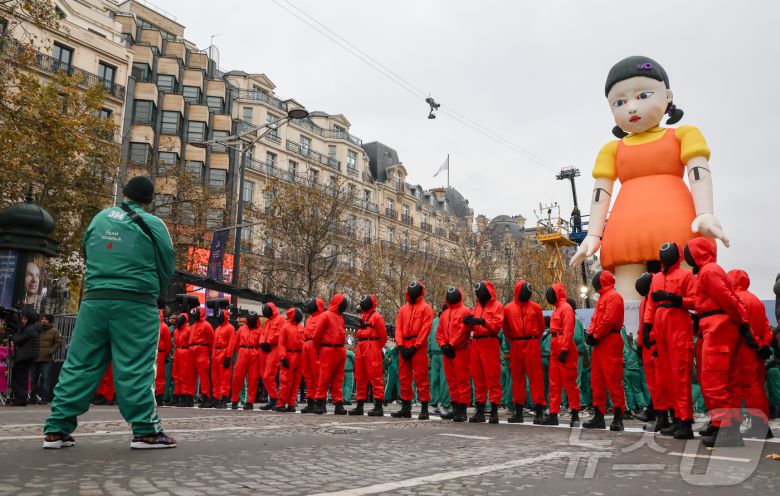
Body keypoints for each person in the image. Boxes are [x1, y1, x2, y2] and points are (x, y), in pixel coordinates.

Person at [571, 56, 728, 299]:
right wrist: (593, 234)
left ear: (668, 96)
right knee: (629, 293)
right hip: (626, 230)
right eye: (619, 102)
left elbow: (698, 172)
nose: (631, 108)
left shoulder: (684, 135)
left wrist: (705, 212)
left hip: (679, 223)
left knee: (685, 284)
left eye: (642, 96)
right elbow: (601, 192)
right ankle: (635, 325)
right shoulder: (611, 149)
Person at [44, 176, 176, 449]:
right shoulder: (153, 223)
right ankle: (146, 431)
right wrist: (157, 291)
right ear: (149, 200)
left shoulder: (99, 219)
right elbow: (167, 264)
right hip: (136, 304)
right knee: (135, 367)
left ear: (125, 193)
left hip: (94, 301)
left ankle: (57, 429)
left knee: (79, 364)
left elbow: (87, 253)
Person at [684, 237, 751, 447]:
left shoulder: (708, 271)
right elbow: (727, 298)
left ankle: (726, 430)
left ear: (697, 254)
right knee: (726, 381)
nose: (687, 257)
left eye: (689, 253)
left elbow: (726, 298)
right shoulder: (711, 270)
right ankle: (725, 426)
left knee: (714, 380)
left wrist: (743, 323)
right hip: (718, 325)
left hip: (717, 327)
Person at [642, 242, 697, 438]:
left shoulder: (686, 276)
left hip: (678, 323)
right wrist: (647, 327)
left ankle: (685, 422)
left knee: (680, 375)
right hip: (661, 325)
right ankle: (676, 419)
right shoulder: (657, 278)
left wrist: (676, 299)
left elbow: (696, 300)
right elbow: (650, 304)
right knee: (666, 377)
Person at [727, 269, 774, 439]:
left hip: (743, 349)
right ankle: (761, 425)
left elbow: (740, 327)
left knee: (748, 389)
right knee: (758, 388)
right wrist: (764, 344)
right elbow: (766, 326)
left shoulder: (736, 300)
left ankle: (759, 426)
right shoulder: (756, 301)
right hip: (758, 351)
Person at [584, 270, 626, 431]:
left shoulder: (613, 296)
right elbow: (596, 319)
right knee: (597, 381)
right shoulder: (604, 297)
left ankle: (618, 417)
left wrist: (594, 334)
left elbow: (609, 319)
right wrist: (591, 334)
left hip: (609, 340)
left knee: (613, 380)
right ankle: (599, 415)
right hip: (601, 342)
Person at [503, 281, 546, 424]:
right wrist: (515, 340)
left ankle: (539, 411)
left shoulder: (536, 307)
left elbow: (541, 327)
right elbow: (506, 329)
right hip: (516, 345)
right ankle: (519, 412)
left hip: (531, 343)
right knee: (517, 379)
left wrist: (532, 339)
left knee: (536, 378)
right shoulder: (508, 309)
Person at [540, 284, 580, 426]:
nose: (549, 296)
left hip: (564, 346)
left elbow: (568, 330)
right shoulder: (558, 309)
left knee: (570, 383)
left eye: (551, 293)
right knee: (554, 383)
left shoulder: (566, 308)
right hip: (555, 345)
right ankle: (553, 414)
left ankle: (575, 415)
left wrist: (564, 349)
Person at [393, 282, 434, 420]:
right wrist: (400, 345)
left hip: (418, 347)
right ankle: (406, 407)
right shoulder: (403, 309)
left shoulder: (426, 308)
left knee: (421, 377)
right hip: (405, 345)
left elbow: (425, 329)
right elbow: (398, 327)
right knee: (403, 377)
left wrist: (416, 346)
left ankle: (424, 408)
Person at [466, 281, 504, 424]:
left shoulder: (497, 306)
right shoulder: (476, 307)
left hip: (489, 341)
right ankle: (480, 411)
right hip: (476, 342)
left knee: (492, 377)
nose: (479, 295)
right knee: (478, 378)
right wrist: (468, 322)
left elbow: (497, 325)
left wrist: (483, 322)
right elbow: (474, 324)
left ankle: (494, 411)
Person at [437, 287, 473, 422]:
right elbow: (439, 332)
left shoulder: (466, 311)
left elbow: (463, 330)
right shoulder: (445, 314)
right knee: (451, 381)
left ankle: (462, 410)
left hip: (460, 350)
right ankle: (455, 407)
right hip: (448, 351)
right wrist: (443, 345)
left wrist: (450, 345)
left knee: (462, 380)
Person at [350, 294, 387, 416]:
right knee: (360, 376)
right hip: (361, 346)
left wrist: (375, 347)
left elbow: (383, 337)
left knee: (375, 376)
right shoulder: (363, 317)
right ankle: (359, 406)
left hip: (372, 345)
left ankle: (378, 406)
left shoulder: (377, 317)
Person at [312, 294, 349, 415]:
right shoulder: (326, 315)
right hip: (329, 349)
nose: (345, 306)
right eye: (344, 303)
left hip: (339, 349)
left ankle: (338, 403)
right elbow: (317, 335)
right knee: (324, 377)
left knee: (338, 379)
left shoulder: (339, 317)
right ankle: (320, 402)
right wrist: (320, 349)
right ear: (338, 304)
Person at [228, 312, 261, 409]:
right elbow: (236, 343)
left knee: (253, 379)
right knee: (237, 377)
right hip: (243, 352)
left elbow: (261, 343)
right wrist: (242, 351)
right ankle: (234, 400)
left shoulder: (260, 330)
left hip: (254, 353)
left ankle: (250, 402)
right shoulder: (241, 329)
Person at [9, 311, 42, 406]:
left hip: (24, 356)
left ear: (29, 320)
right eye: (22, 318)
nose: (22, 321)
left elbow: (17, 340)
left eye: (25, 319)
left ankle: (21, 397)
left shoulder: (29, 329)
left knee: (17, 378)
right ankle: (21, 398)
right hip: (27, 356)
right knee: (22, 378)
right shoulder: (32, 328)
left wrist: (14, 333)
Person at [276, 308, 305, 412]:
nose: (300, 316)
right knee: (286, 381)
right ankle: (281, 403)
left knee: (296, 382)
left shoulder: (302, 328)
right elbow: (281, 343)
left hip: (299, 356)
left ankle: (291, 403)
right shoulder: (285, 328)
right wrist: (283, 357)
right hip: (289, 355)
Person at [29, 314, 63, 405]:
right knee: (33, 379)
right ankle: (32, 398)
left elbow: (59, 343)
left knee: (45, 379)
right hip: (35, 358)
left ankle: (44, 399)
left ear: (50, 321)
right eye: (43, 319)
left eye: (46, 319)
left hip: (46, 359)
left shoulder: (54, 331)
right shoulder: (37, 329)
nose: (43, 321)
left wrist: (50, 351)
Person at [258, 303, 284, 411]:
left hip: (274, 348)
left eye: (265, 309)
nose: (263, 311)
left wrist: (268, 342)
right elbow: (262, 334)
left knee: (268, 375)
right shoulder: (268, 322)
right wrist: (262, 343)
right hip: (266, 349)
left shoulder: (280, 319)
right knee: (264, 376)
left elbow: (279, 334)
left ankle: (275, 399)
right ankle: (273, 398)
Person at [300, 298, 324, 413]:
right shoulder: (309, 318)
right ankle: (310, 402)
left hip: (315, 345)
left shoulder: (322, 317)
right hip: (307, 345)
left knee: (317, 375)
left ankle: (319, 402)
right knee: (308, 375)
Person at [189, 307, 215, 408]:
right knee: (191, 376)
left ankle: (206, 398)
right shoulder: (193, 326)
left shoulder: (207, 325)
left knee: (204, 376)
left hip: (202, 350)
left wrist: (210, 353)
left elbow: (212, 340)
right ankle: (189, 398)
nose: (194, 316)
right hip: (192, 351)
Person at [211, 309, 236, 409]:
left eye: (220, 316)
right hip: (216, 354)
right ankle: (216, 398)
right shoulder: (217, 328)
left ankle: (223, 399)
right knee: (215, 378)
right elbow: (214, 343)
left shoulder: (230, 328)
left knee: (224, 378)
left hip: (224, 353)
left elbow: (231, 343)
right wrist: (213, 355)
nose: (218, 317)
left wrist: (228, 356)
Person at [428, 311, 451, 417]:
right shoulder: (447, 320)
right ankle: (446, 405)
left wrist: (429, 353)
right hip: (444, 353)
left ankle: (433, 404)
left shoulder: (433, 322)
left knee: (434, 380)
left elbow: (429, 338)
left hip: (434, 354)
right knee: (444, 381)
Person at [171, 313, 193, 407]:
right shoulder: (176, 331)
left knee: (184, 375)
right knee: (176, 375)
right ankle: (177, 396)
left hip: (185, 352)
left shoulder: (188, 330)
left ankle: (184, 397)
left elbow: (191, 342)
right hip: (177, 351)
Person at [154, 310, 172, 406]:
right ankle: (156, 395)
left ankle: (159, 396)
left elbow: (168, 343)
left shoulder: (163, 327)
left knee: (159, 375)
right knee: (155, 375)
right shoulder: (163, 326)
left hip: (159, 353)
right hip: (156, 353)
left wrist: (165, 354)